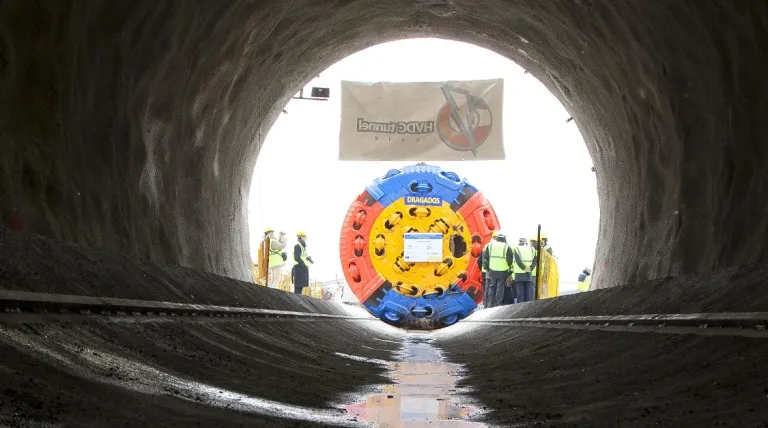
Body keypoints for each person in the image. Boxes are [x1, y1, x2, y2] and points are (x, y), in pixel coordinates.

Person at [483, 232, 515, 308]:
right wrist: (510, 269)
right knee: (500, 287)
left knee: (492, 287)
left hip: (492, 269)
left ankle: (490, 304)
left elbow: (486, 258)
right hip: (503, 270)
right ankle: (498, 304)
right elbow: (510, 260)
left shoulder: (490, 245)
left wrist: (487, 267)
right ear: (504, 238)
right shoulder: (507, 246)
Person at [513, 237, 537, 303]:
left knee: (520, 293)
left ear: (519, 242)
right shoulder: (532, 249)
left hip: (519, 273)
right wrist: (530, 268)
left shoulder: (517, 248)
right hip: (528, 273)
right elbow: (535, 260)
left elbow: (517, 260)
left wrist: (524, 267)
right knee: (527, 293)